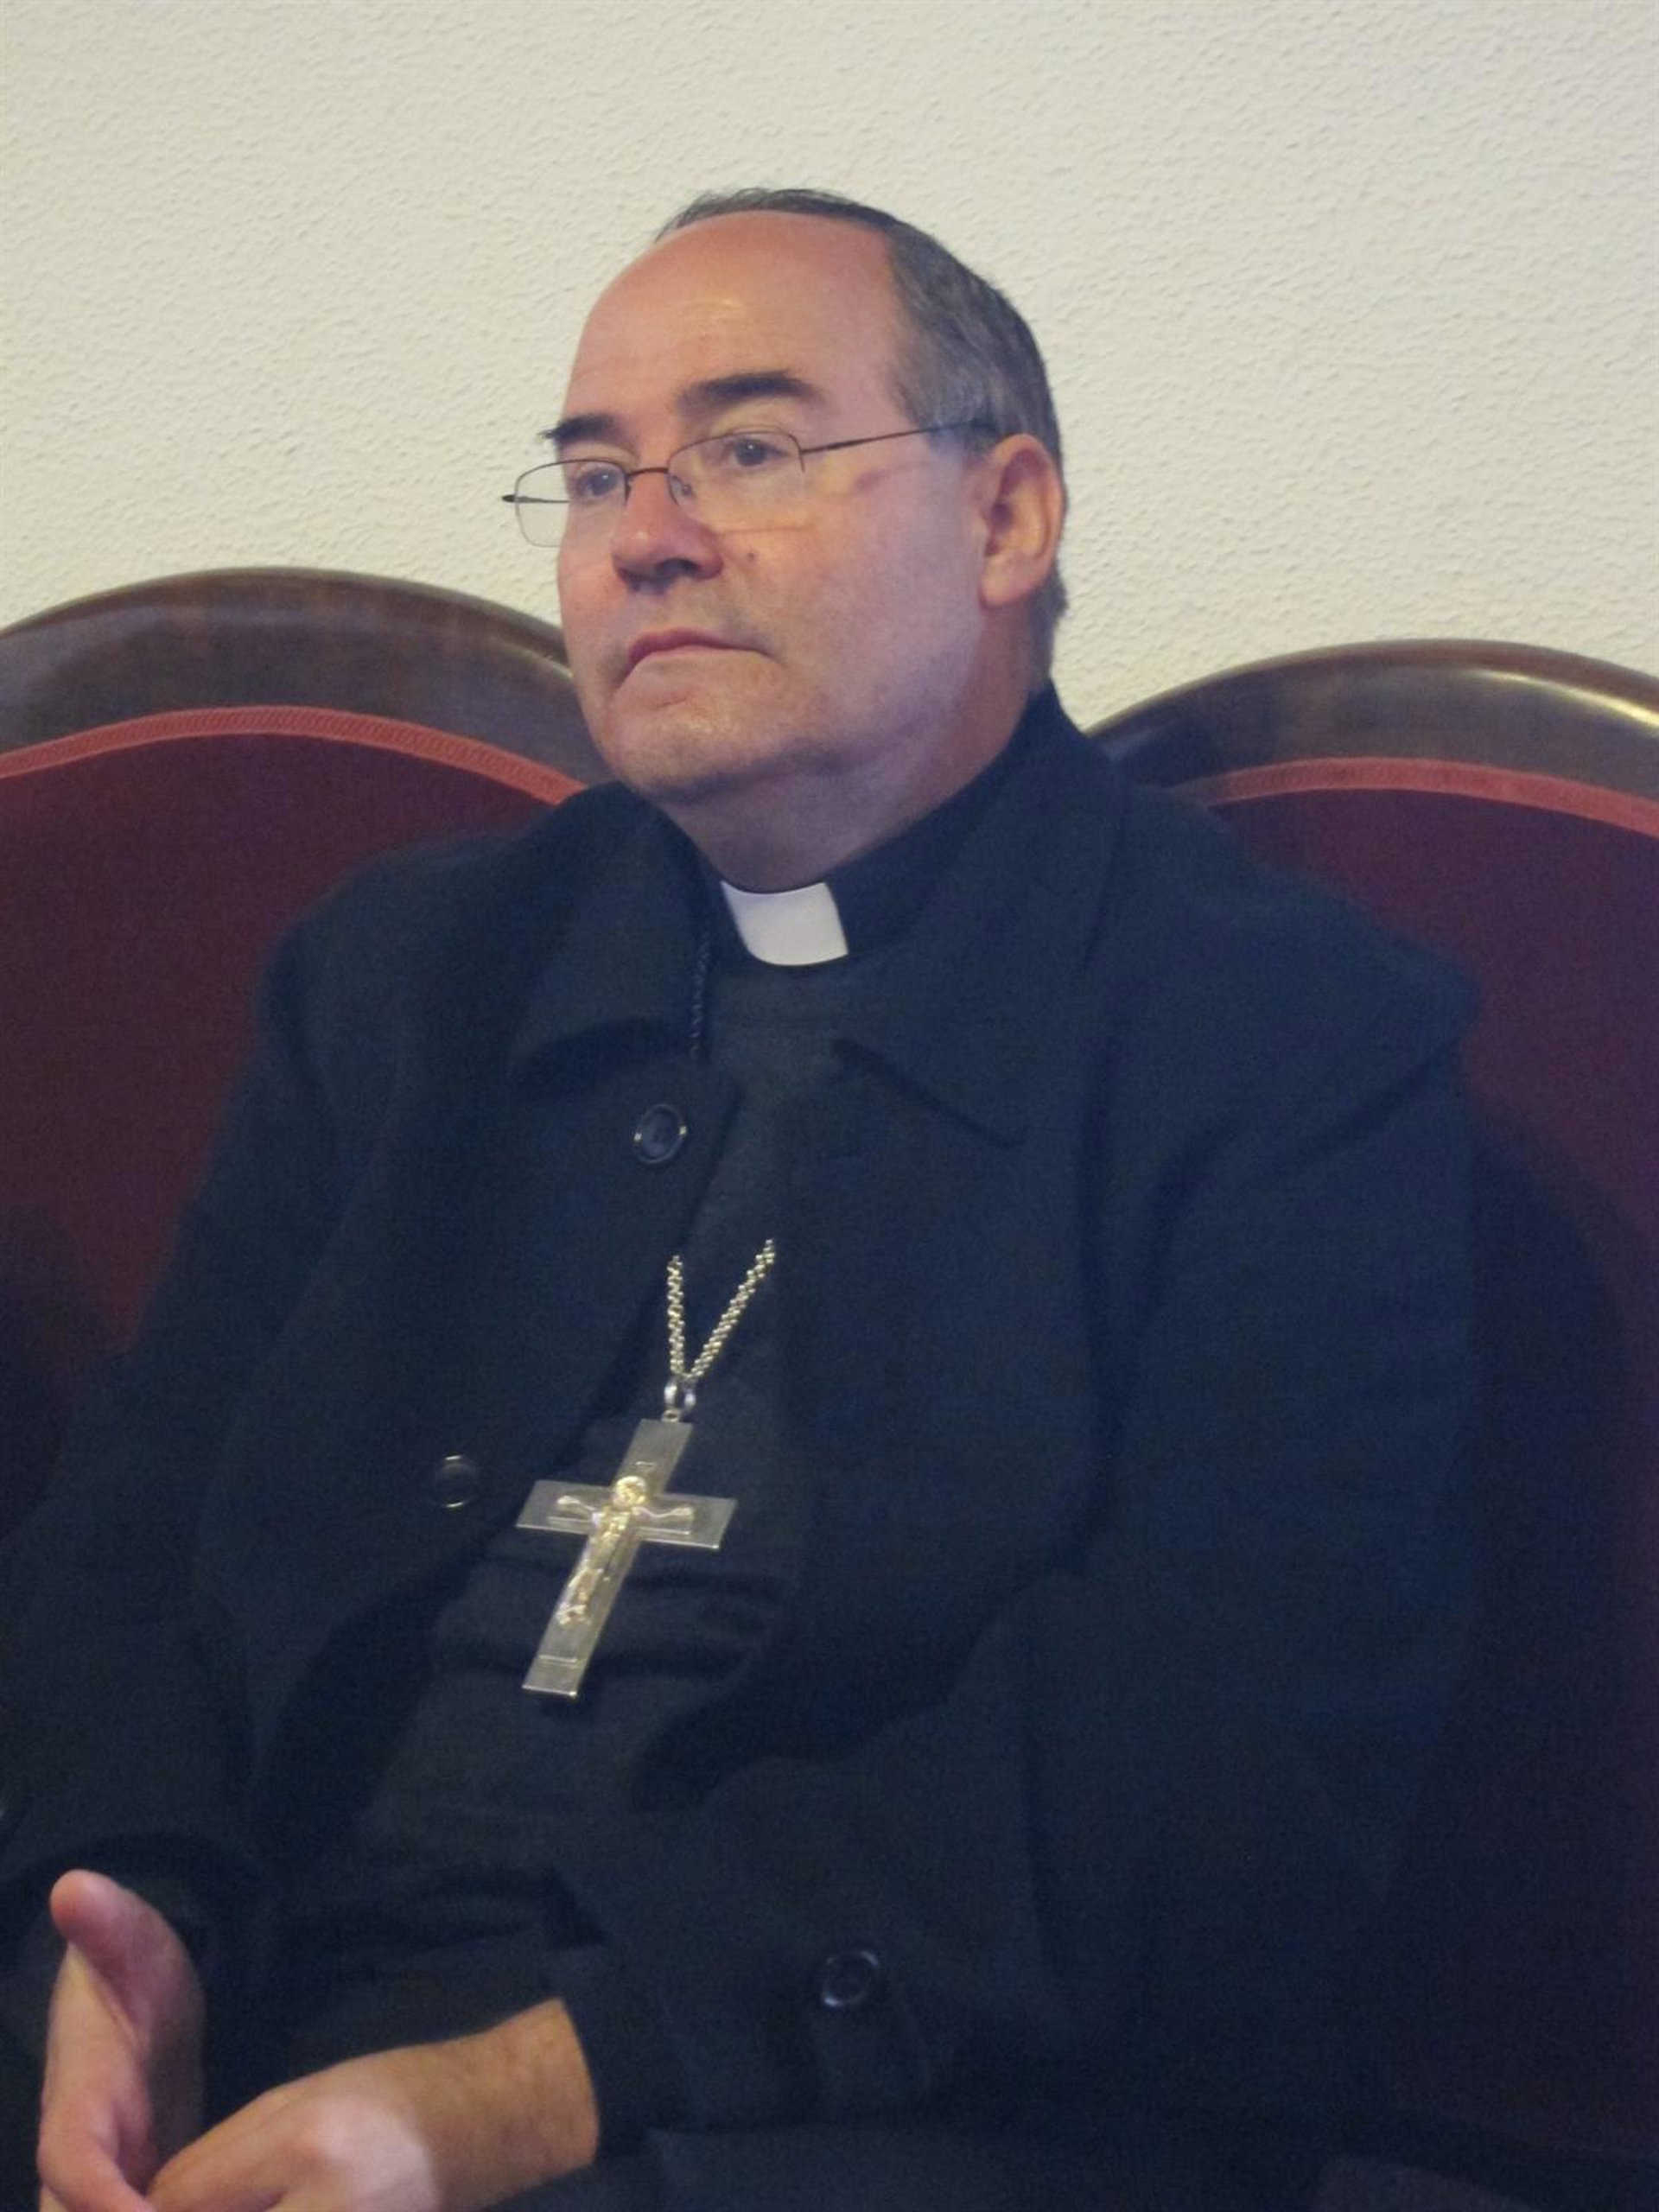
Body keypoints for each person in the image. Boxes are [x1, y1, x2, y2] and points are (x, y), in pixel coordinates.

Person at [0, 188, 1475, 2210]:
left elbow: (1205, 1767)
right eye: (597, 471)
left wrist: (513, 2092)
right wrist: (123, 1922)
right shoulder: (410, 973)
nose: (646, 532)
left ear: (1007, 515)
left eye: (751, 447)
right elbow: (135, 1533)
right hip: (278, 1998)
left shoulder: (1284, 1038)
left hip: (873, 2106)